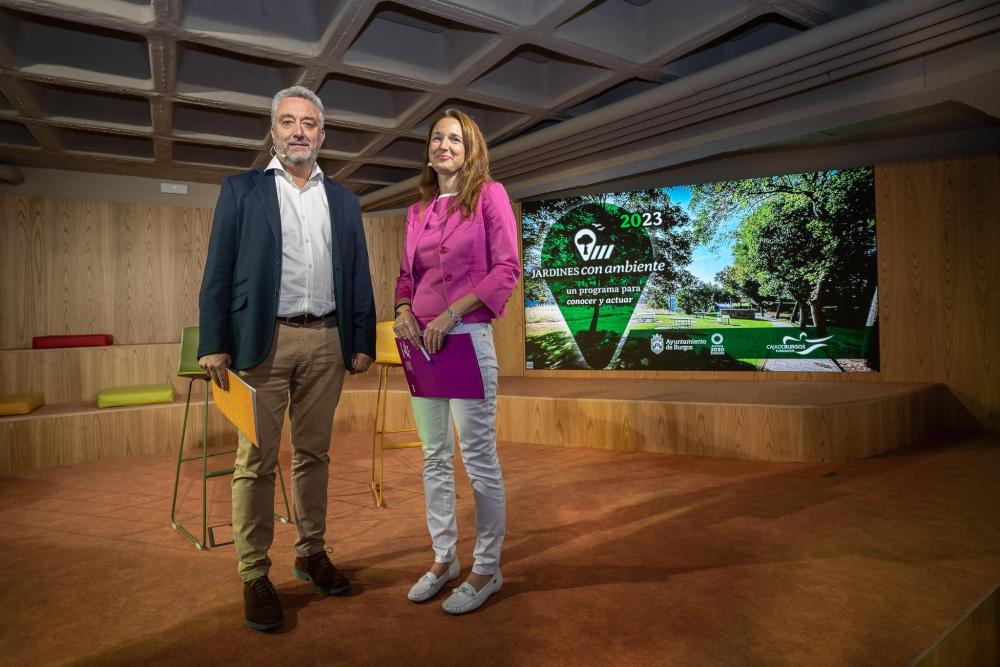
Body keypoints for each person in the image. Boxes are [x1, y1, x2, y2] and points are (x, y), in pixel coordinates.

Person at [197, 86, 376, 632]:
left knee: (314, 455)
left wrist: (362, 339)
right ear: (273, 131)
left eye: (308, 123)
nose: (299, 131)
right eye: (288, 122)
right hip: (261, 344)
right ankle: (254, 573)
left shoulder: (343, 200)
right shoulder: (242, 190)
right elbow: (218, 268)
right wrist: (213, 341)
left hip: (326, 340)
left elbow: (358, 272)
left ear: (322, 134)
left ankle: (311, 551)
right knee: (255, 461)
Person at [393, 108, 520, 615]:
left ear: (470, 150)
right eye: (437, 138)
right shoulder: (416, 210)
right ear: (428, 149)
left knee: (478, 459)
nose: (444, 145)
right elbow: (406, 276)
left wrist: (452, 313)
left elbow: (506, 268)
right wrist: (403, 309)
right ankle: (444, 558)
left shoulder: (490, 195)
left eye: (455, 139)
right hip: (421, 345)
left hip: (465, 337)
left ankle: (487, 568)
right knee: (433, 455)